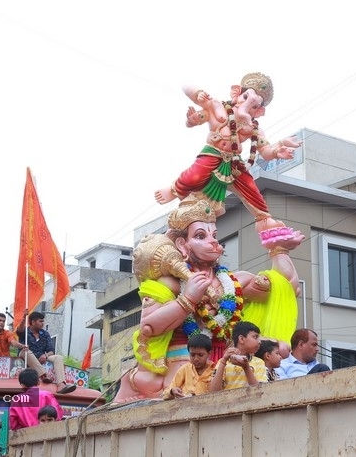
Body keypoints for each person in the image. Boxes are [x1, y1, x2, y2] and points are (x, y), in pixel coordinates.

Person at [112, 196, 304, 403]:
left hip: (229, 351)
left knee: (280, 347)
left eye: (214, 235)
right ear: (182, 245)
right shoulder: (170, 282)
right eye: (201, 236)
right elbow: (149, 326)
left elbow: (286, 287)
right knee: (187, 390)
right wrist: (187, 299)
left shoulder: (233, 281)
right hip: (187, 353)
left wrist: (278, 249)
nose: (213, 241)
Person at [154, 73, 302, 243]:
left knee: (251, 189)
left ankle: (265, 220)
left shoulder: (254, 129)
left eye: (254, 106)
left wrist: (278, 150)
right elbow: (185, 87)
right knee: (194, 175)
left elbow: (265, 152)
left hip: (234, 162)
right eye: (246, 97)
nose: (248, 106)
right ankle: (173, 190)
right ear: (237, 94)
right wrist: (198, 98)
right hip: (213, 153)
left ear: (259, 111)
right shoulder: (219, 110)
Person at [16, 311, 76, 394]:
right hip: (26, 356)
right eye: (40, 321)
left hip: (41, 357)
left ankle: (61, 385)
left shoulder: (45, 334)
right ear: (33, 322)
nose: (43, 323)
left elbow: (51, 350)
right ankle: (44, 375)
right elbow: (19, 330)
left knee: (58, 357)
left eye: (43, 321)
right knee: (26, 351)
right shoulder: (25, 332)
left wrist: (46, 355)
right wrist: (24, 317)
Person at [209, 321, 267, 391]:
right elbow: (213, 391)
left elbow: (259, 391)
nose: (259, 341)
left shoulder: (259, 362)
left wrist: (246, 368)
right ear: (241, 339)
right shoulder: (223, 362)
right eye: (255, 337)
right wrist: (223, 361)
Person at [161, 333, 216, 400]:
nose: (196, 359)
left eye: (200, 355)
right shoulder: (185, 369)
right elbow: (165, 394)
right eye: (192, 355)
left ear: (209, 353)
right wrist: (172, 391)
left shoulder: (215, 370)